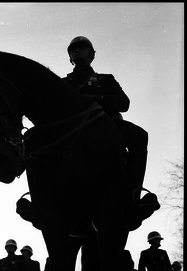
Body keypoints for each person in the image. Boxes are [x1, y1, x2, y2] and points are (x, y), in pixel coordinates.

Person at [63, 36, 160, 229]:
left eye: (82, 48)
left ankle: (133, 196)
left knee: (140, 136)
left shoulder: (106, 79)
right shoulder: (63, 83)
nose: (77, 51)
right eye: (73, 49)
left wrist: (99, 99)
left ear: (91, 54)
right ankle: (39, 201)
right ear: (71, 58)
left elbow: (124, 103)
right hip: (72, 130)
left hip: (106, 124)